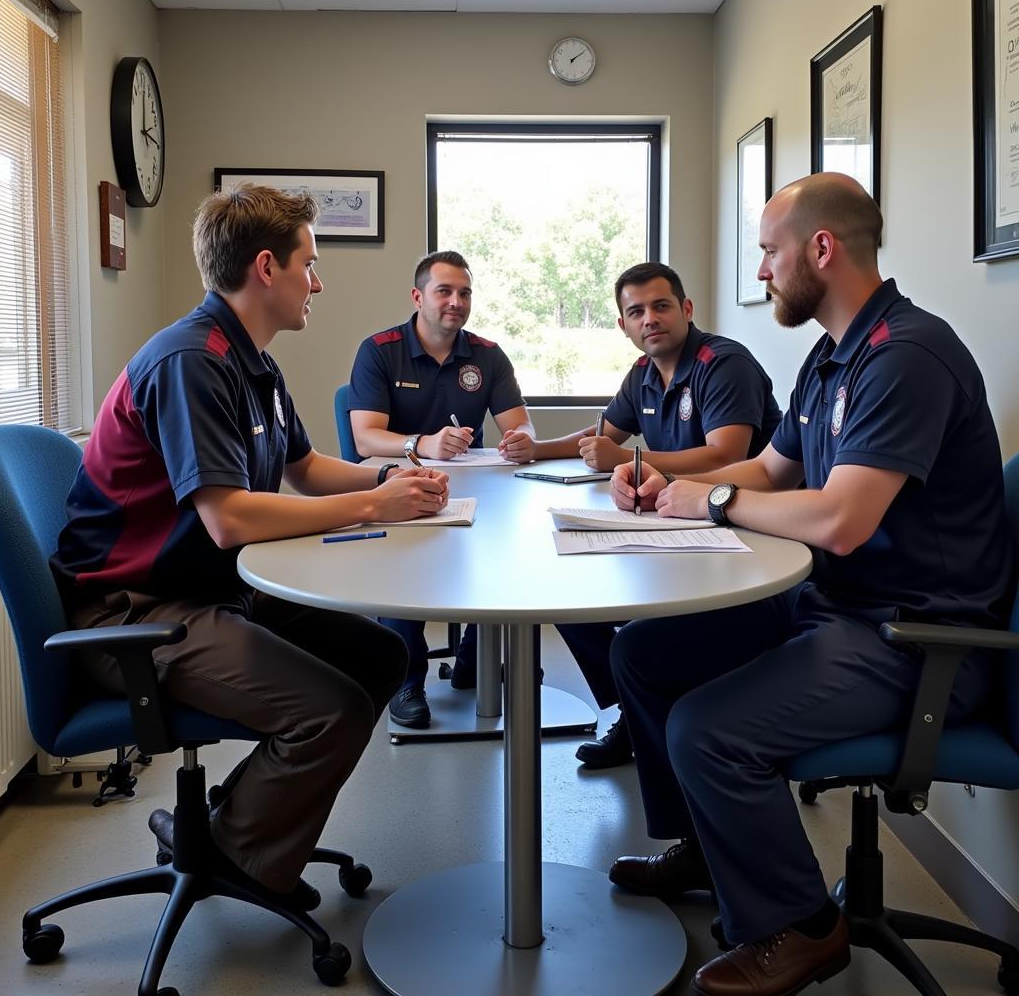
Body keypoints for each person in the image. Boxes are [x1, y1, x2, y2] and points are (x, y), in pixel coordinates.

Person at [606, 173, 1012, 996]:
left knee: (705, 729)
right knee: (645, 653)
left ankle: (802, 926)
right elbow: (768, 465)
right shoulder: (834, 357)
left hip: (915, 640)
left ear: (819, 250)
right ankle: (702, 848)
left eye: (768, 253)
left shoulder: (906, 356)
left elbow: (841, 522)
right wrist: (664, 487)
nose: (761, 272)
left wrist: (715, 500)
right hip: (836, 609)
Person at [51, 185, 450, 907]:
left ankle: (222, 830)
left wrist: (395, 478)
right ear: (267, 268)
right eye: (311, 263)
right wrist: (374, 503)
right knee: (331, 710)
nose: (319, 282)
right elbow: (229, 519)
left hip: (206, 590)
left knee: (380, 656)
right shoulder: (190, 361)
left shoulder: (253, 362)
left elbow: (304, 469)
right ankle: (235, 854)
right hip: (131, 615)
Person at [530, 262, 782, 769]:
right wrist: (536, 451)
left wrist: (628, 461)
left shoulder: (722, 363)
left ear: (686, 310)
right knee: (562, 586)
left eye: (661, 306)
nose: (650, 319)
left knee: (642, 631)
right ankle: (634, 711)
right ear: (623, 325)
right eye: (636, 312)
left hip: (743, 533)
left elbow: (725, 455)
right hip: (677, 526)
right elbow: (604, 434)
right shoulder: (643, 374)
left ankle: (653, 711)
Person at [348, 250, 535, 729]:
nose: (456, 302)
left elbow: (521, 425)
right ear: (418, 297)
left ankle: (476, 655)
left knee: (504, 542)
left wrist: (520, 442)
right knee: (405, 560)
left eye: (465, 293)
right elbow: (365, 437)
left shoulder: (487, 355)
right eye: (444, 291)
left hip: (473, 485)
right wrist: (423, 443)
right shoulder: (379, 350)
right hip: (398, 485)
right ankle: (406, 680)